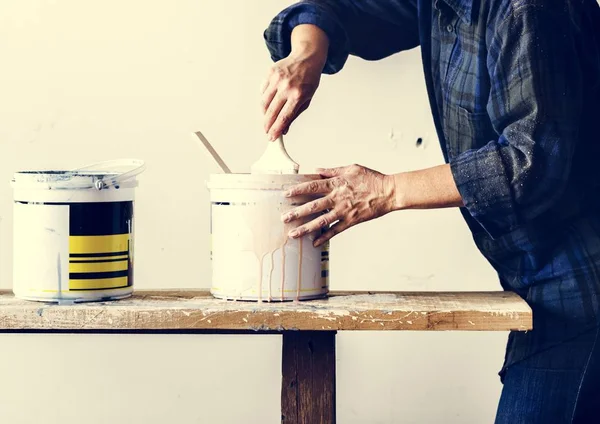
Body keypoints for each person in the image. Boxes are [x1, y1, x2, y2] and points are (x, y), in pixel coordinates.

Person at [260, 0, 600, 422]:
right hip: (543, 285)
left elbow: (533, 162)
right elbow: (343, 11)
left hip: (582, 287)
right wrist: (306, 53)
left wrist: (387, 191)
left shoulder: (530, 11)